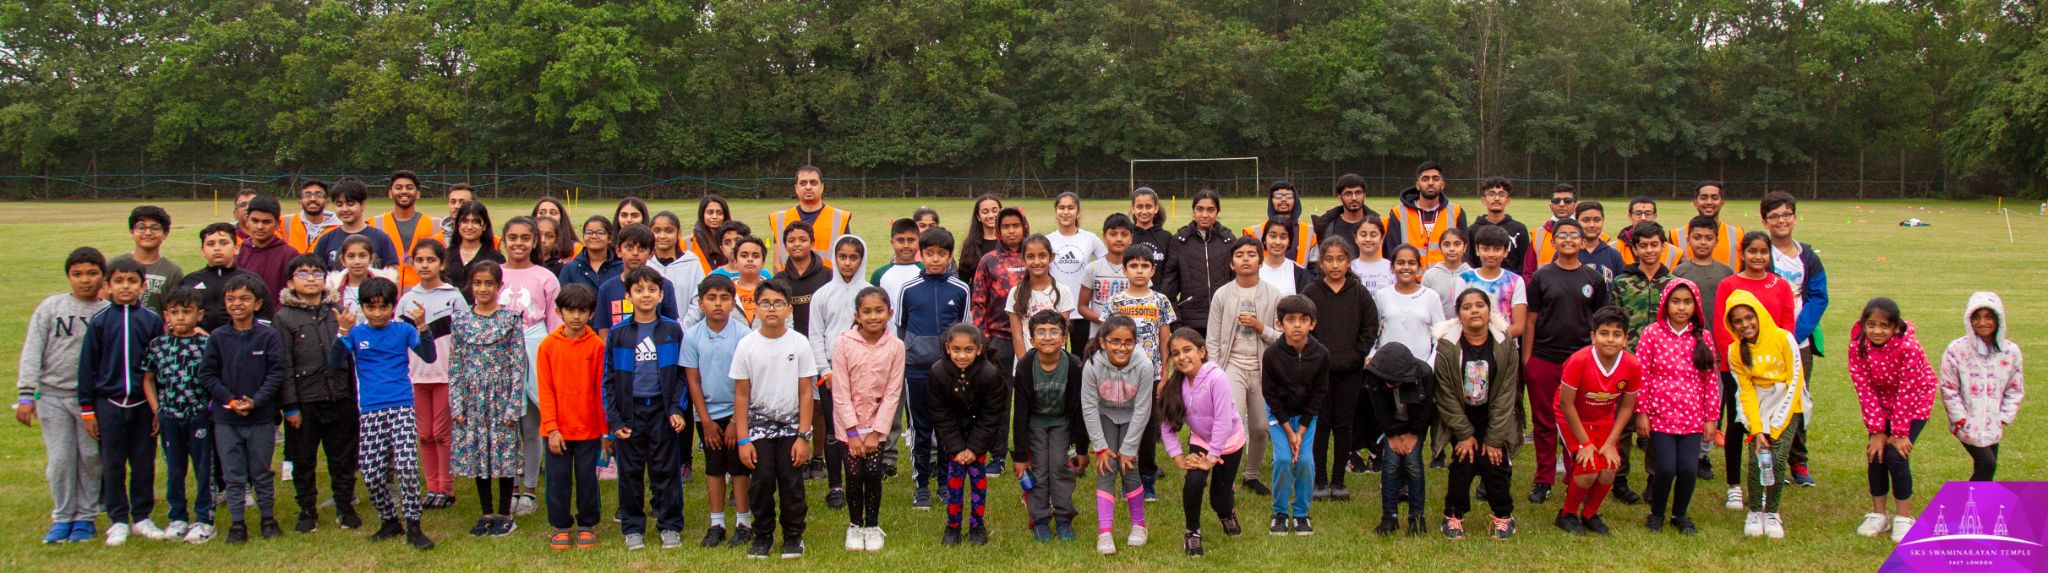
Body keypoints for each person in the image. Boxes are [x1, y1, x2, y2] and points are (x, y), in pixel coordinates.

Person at [328, 277, 438, 549]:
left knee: (406, 467)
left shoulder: (403, 330)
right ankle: (389, 520)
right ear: (362, 307)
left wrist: (423, 326)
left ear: (392, 307)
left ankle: (414, 525)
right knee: (371, 472)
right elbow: (334, 363)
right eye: (371, 307)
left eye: (383, 307)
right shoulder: (355, 333)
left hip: (401, 407)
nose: (377, 314)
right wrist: (342, 333)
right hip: (370, 411)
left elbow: (429, 356)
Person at [18, 247, 110, 545]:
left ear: (103, 276)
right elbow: (33, 350)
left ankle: (85, 517)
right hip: (53, 397)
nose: (85, 280)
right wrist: (26, 394)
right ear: (68, 276)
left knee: (90, 458)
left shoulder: (107, 313)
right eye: (77, 274)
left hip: (90, 401)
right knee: (60, 459)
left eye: (92, 274)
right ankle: (62, 517)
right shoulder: (51, 307)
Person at [1522, 218, 1612, 504]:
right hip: (1544, 359)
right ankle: (1543, 478)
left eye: (1575, 235)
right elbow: (1531, 320)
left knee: (1576, 422)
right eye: (1563, 235)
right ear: (1554, 242)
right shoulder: (1541, 276)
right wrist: (1528, 359)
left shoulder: (1593, 279)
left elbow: (1599, 323)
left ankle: (1575, 472)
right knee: (1544, 422)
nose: (1569, 240)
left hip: (1580, 362)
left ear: (1583, 243)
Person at [79, 258, 166, 545]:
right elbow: (88, 367)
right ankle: (118, 519)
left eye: (131, 281)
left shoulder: (152, 321)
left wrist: (158, 407)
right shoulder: (101, 321)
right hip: (110, 403)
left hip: (143, 405)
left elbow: (160, 368)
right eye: (118, 281)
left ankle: (142, 516)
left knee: (144, 461)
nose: (125, 286)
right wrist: (88, 409)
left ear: (142, 286)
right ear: (108, 286)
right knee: (112, 462)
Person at [273, 254, 362, 534]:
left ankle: (345, 505)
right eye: (303, 274)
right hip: (305, 400)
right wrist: (290, 405)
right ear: (290, 282)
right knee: (303, 458)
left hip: (339, 397)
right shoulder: (284, 317)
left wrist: (352, 396)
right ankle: (307, 510)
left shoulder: (336, 311)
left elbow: (349, 357)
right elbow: (283, 365)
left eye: (316, 273)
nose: (310, 278)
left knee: (343, 457)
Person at [730, 280, 819, 559]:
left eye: (778, 303)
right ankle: (763, 535)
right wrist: (743, 439)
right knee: (762, 481)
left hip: (792, 427)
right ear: (755, 308)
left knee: (792, 482)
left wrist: (804, 436)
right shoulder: (747, 345)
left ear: (789, 309)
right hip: (758, 428)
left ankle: (794, 536)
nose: (772, 309)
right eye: (765, 303)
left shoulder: (799, 343)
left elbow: (806, 392)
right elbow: (742, 395)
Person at [600, 267, 687, 550]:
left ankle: (670, 524)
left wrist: (675, 408)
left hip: (662, 411)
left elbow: (681, 376)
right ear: (629, 296)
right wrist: (614, 420)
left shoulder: (672, 331)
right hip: (630, 412)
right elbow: (609, 379)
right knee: (630, 472)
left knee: (665, 470)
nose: (646, 295)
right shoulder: (619, 333)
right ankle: (633, 526)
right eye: (639, 290)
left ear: (661, 294)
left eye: (652, 290)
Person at [198, 274, 287, 544]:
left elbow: (276, 372)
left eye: (245, 299)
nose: (237, 304)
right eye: (231, 299)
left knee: (261, 471)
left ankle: (268, 518)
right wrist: (231, 401)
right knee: (233, 474)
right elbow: (207, 375)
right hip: (227, 419)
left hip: (260, 418)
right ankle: (237, 523)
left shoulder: (268, 335)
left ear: (257, 303)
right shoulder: (217, 337)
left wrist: (256, 401)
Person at [1714, 232, 1795, 509]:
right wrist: (1744, 359)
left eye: (1763, 251)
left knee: (1771, 425)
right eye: (1752, 251)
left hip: (1773, 374)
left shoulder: (1780, 285)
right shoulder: (1729, 284)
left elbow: (1786, 328)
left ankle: (1765, 478)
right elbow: (1722, 327)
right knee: (1738, 422)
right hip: (1738, 367)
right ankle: (1734, 485)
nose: (1757, 257)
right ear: (1743, 254)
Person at [449, 262, 530, 539]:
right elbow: (456, 363)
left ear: (499, 287)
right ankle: (486, 512)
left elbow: (519, 364)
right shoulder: (461, 320)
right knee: (479, 454)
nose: (483, 289)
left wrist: (513, 404)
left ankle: (505, 513)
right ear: (471, 286)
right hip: (472, 396)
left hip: (501, 394)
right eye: (478, 283)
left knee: (504, 453)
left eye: (489, 284)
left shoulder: (509, 320)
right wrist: (457, 403)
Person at [1634, 279, 1719, 536]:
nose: (1681, 308)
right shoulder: (1652, 333)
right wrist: (1642, 412)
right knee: (1667, 468)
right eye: (1675, 301)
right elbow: (1642, 375)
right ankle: (1657, 513)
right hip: (1660, 415)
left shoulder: (1703, 337)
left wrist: (1711, 418)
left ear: (1695, 305)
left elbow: (1710, 379)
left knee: (1688, 469)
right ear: (1666, 304)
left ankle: (1679, 514)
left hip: (1692, 416)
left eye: (1687, 302)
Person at [1434, 289, 1521, 541]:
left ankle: (1504, 515)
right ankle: (1453, 515)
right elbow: (1445, 393)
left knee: (1494, 463)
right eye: (1467, 307)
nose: (1474, 310)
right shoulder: (1447, 346)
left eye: (1480, 305)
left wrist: (1494, 438)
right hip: (1461, 415)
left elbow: (1507, 392)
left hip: (1495, 415)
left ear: (1489, 310)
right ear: (1459, 314)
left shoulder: (1504, 343)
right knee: (1463, 462)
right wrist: (1463, 433)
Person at [1847, 298, 1934, 543]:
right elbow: (1864, 388)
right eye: (1871, 325)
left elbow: (1909, 390)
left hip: (1914, 401)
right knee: (1876, 454)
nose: (1877, 331)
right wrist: (1876, 431)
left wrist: (1899, 433)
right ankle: (1879, 515)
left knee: (1896, 455)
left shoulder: (1909, 347)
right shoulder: (1857, 347)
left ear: (1896, 327)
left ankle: (1904, 517)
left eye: (1884, 326)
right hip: (1881, 403)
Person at [899, 228, 973, 510]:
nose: (935, 259)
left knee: (947, 427)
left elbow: (966, 331)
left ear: (949, 256)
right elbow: (901, 329)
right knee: (920, 427)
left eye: (941, 254)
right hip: (916, 370)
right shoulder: (908, 289)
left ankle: (944, 482)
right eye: (929, 253)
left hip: (949, 372)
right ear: (922, 254)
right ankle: (921, 486)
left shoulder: (960, 289)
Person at [1724, 290, 1807, 539]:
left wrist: (1777, 425)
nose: (1745, 324)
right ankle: (1755, 512)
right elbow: (1746, 392)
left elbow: (1795, 381)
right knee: (1757, 458)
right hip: (1758, 406)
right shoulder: (1735, 351)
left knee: (1778, 457)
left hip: (1787, 402)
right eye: (1737, 321)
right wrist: (1758, 430)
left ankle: (1772, 512)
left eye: (1749, 317)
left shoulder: (1784, 338)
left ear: (1758, 315)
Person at [1760, 191, 1829, 486]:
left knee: (1797, 399)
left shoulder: (1807, 256)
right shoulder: (1760, 251)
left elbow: (1819, 297)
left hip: (1798, 341)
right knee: (1766, 399)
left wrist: (1794, 333)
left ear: (1795, 218)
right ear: (1765, 221)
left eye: (1786, 215)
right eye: (1774, 216)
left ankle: (1798, 460)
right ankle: (1768, 459)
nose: (1781, 221)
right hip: (1764, 339)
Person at [1155, 328, 1245, 555]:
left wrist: (1212, 458)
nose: (1182, 357)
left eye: (1188, 350)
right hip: (1202, 440)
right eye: (1176, 353)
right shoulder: (1174, 385)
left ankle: (1227, 513)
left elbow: (1224, 421)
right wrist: (1177, 457)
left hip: (1229, 443)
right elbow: (1166, 425)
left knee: (1219, 499)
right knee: (1193, 483)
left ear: (1202, 351)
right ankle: (1192, 532)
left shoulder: (1217, 378)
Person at [1553, 308, 1641, 537]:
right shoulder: (1578, 361)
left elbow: (1626, 407)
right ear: (1593, 336)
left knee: (1610, 468)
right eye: (1604, 333)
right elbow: (1566, 404)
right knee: (1589, 468)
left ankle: (1590, 514)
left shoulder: (1632, 365)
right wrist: (1585, 443)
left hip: (1602, 418)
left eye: (1616, 334)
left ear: (1625, 339)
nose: (1610, 339)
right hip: (1571, 416)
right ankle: (1567, 514)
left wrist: (1611, 442)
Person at [829, 286, 904, 552]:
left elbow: (893, 393)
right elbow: (840, 390)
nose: (874, 316)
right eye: (867, 311)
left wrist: (875, 433)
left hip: (876, 426)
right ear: (857, 315)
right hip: (847, 426)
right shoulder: (844, 343)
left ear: (890, 313)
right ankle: (855, 525)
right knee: (853, 474)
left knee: (872, 473)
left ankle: (872, 526)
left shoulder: (896, 347)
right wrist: (852, 431)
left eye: (879, 310)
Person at [682, 275, 755, 548]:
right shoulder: (691, 337)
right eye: (711, 298)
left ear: (733, 302)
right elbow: (693, 380)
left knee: (739, 467)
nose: (718, 304)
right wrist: (705, 420)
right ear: (701, 303)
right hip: (708, 416)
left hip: (738, 413)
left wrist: (737, 420)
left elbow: (747, 382)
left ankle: (743, 522)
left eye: (724, 298)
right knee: (714, 467)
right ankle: (716, 523)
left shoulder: (744, 336)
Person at [1206, 237, 1282, 496]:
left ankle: (1251, 476)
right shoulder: (1223, 294)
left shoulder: (1273, 294)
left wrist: (1261, 327)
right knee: (1231, 423)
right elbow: (1212, 339)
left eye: (1252, 254)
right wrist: (1215, 372)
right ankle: (1224, 478)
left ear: (1261, 260)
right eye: (1240, 255)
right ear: (1231, 262)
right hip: (1232, 366)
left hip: (1263, 367)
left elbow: (1282, 337)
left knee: (1260, 427)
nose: (1246, 259)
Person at [1303, 238, 1377, 501]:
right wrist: (1315, 359)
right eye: (1329, 259)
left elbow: (1370, 328)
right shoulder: (1311, 292)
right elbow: (1303, 328)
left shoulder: (1359, 293)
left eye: (1341, 259)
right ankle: (1320, 479)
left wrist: (1357, 355)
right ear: (1321, 262)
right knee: (1321, 425)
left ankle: (1338, 480)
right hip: (1319, 373)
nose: (1335, 265)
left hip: (1350, 371)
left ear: (1349, 261)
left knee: (1344, 426)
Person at [1608, 220, 1676, 503]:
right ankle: (1619, 479)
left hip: (1663, 366)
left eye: (1654, 245)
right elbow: (1612, 320)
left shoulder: (1673, 283)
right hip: (1627, 362)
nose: (1649, 250)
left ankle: (1653, 478)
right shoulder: (1623, 282)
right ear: (1633, 248)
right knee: (1622, 423)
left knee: (1657, 425)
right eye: (1642, 245)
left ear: (1663, 246)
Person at [500, 216, 563, 516]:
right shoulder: (494, 274)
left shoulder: (545, 277)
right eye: (513, 237)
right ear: (503, 240)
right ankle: (509, 486)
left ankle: (529, 489)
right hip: (500, 352)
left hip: (535, 345)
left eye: (526, 238)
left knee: (532, 423)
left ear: (535, 242)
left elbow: (555, 320)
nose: (519, 243)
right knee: (508, 423)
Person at [537, 283, 607, 550]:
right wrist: (552, 429)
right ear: (558, 311)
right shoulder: (548, 346)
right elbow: (545, 390)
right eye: (570, 310)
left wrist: (604, 432)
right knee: (558, 480)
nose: (576, 316)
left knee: (588, 479)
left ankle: (587, 524)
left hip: (589, 430)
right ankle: (561, 525)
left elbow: (601, 390)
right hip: (558, 432)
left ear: (591, 314)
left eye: (583, 311)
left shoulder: (597, 346)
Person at [397, 240, 467, 509]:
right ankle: (432, 487)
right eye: (419, 260)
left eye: (430, 260)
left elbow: (462, 336)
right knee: (424, 434)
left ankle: (447, 489)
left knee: (441, 433)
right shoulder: (406, 299)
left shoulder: (453, 296)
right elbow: (400, 339)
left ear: (441, 263)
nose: (424, 265)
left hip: (445, 375)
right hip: (417, 376)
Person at [143, 287, 215, 543]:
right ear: (166, 315)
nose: (181, 317)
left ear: (199, 314)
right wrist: (157, 409)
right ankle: (177, 516)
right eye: (175, 312)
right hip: (169, 415)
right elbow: (149, 378)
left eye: (187, 312)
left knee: (203, 467)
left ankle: (205, 518)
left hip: (199, 414)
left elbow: (214, 378)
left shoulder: (207, 344)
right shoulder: (158, 345)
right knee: (175, 467)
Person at [1081, 316, 1157, 555]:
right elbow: (1089, 406)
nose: (1121, 348)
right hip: (1105, 415)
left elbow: (1144, 408)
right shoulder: (1093, 365)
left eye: (1127, 342)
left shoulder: (1144, 366)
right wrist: (1101, 447)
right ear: (1103, 342)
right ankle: (1105, 532)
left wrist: (1130, 448)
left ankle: (1139, 525)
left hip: (1132, 418)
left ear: (1135, 343)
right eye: (1115, 342)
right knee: (1106, 467)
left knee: (1129, 468)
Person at [1107, 243, 1177, 499]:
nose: (1139, 271)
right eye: (1134, 266)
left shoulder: (1160, 301)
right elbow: (1109, 340)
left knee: (1147, 429)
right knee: (1126, 427)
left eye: (1144, 266)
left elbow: (1165, 340)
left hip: (1152, 375)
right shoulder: (1116, 302)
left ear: (1153, 270)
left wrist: (1165, 374)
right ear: (1124, 270)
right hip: (1122, 375)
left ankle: (1147, 481)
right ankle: (1128, 479)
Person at [928, 324, 1007, 547]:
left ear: (979, 350)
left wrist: (973, 448)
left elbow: (992, 415)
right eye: (956, 349)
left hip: (978, 438)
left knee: (978, 481)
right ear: (947, 348)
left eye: (968, 350)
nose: (962, 355)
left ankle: (976, 525)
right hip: (953, 436)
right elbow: (940, 413)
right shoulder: (938, 372)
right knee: (954, 482)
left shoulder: (990, 374)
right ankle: (953, 526)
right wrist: (956, 447)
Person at [1012, 311, 1088, 544]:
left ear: (1064, 337)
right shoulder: (1025, 366)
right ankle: (1040, 520)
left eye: (1054, 332)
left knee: (1060, 469)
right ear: (1032, 339)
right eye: (1041, 332)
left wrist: (1082, 449)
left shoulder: (1074, 366)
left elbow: (1078, 409)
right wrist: (1020, 455)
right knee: (1039, 472)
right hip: (1035, 424)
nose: (1047, 337)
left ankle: (1064, 519)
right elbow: (1021, 413)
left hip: (1061, 424)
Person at [809, 236, 872, 511]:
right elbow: (815, 335)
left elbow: (882, 332)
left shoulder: (870, 292)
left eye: (853, 257)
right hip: (831, 376)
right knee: (835, 432)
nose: (848, 262)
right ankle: (835, 485)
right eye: (842, 257)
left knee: (862, 428)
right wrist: (825, 370)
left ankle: (860, 480)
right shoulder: (822, 294)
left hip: (864, 374)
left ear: (862, 259)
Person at [1670, 215, 1735, 480]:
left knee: (1712, 401)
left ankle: (1702, 454)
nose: (1703, 242)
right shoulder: (1680, 273)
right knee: (1687, 399)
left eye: (1709, 238)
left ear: (1717, 241)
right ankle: (1681, 449)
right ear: (1688, 240)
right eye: (1697, 237)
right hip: (1685, 348)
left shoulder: (1725, 273)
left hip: (1717, 350)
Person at [1263, 295, 1329, 536]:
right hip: (1279, 417)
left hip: (1305, 417)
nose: (1297, 325)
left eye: (1304, 320)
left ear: (1312, 324)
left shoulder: (1321, 354)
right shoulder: (1271, 354)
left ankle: (1301, 513)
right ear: (1280, 324)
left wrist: (1301, 430)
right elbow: (1269, 394)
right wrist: (1289, 432)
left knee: (1304, 462)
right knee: (1282, 460)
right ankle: (1279, 512)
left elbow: (1319, 394)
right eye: (1291, 320)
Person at [1939, 292, 2022, 483]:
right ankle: (1965, 505)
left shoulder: (2010, 352)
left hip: (1993, 421)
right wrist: (1959, 417)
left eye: (1989, 317)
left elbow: (2015, 387)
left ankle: (1981, 508)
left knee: (1987, 468)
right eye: (1976, 317)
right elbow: (1948, 387)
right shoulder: (1957, 350)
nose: (1982, 322)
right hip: (1966, 422)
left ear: (1998, 319)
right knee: (1987, 464)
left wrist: (2003, 416)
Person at [1365, 338, 1436, 537]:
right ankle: (1389, 517)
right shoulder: (1374, 378)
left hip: (1415, 426)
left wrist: (1414, 434)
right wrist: (1392, 435)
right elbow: (1379, 410)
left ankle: (1417, 517)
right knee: (1390, 464)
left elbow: (1427, 409)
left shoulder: (1425, 374)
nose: (1392, 385)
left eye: (1396, 381)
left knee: (1413, 464)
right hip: (1391, 426)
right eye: (1388, 381)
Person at [1163, 190, 1234, 338]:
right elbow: (1168, 289)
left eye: (1211, 210)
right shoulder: (1179, 241)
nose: (1205, 215)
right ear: (1193, 211)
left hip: (1224, 320)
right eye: (1200, 209)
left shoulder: (1228, 240)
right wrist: (1176, 323)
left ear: (1217, 212)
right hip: (1190, 322)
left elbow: (1238, 283)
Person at [594, 225, 681, 336]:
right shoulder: (606, 288)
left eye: (641, 249)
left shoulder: (664, 285)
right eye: (629, 248)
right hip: (621, 350)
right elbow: (604, 330)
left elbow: (671, 326)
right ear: (618, 251)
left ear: (651, 253)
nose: (635, 253)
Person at [1047, 193, 1109, 349]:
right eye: (1061, 208)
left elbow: (1107, 262)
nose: (1066, 212)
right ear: (1056, 212)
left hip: (1082, 311)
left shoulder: (1090, 238)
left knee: (1081, 360)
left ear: (1078, 211)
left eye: (1070, 208)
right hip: (1055, 310)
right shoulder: (1047, 240)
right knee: (1055, 356)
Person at [1006, 235, 1078, 365]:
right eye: (1031, 257)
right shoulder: (1015, 293)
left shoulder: (1063, 291)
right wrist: (1025, 365)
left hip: (1055, 364)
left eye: (1042, 255)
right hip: (1026, 363)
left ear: (1051, 257)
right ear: (1023, 259)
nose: (1037, 262)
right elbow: (1017, 336)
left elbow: (1062, 335)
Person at [972, 208, 1029, 371]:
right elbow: (978, 302)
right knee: (1000, 391)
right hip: (999, 338)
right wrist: (982, 337)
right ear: (998, 230)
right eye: (1006, 226)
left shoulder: (1034, 255)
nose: (1011, 231)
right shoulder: (988, 260)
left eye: (1016, 225)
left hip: (1031, 336)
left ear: (1024, 226)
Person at [768, 165, 854, 272]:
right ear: (796, 188)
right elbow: (777, 264)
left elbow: (847, 258)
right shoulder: (780, 219)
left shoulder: (840, 218)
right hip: (790, 284)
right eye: (803, 183)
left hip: (827, 284)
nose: (808, 187)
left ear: (822, 187)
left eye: (813, 183)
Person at [311, 178, 401, 275]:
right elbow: (316, 274)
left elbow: (393, 277)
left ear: (362, 204)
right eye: (339, 204)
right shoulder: (326, 240)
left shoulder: (381, 238)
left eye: (350, 204)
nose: (344, 209)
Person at [1385, 162, 1467, 267]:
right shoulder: (1399, 213)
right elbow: (1392, 252)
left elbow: (1465, 251)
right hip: (1410, 280)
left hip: (1445, 279)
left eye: (1436, 179)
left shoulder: (1456, 212)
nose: (1431, 183)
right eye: (1425, 179)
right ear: (1417, 185)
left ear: (1443, 184)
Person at [372, 170, 445, 288]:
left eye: (409, 187)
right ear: (390, 193)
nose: (404, 191)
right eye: (399, 187)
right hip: (386, 297)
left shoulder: (436, 225)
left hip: (425, 294)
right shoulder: (374, 223)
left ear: (418, 194)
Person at [1373, 245, 1446, 365]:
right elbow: (1373, 333)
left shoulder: (1431, 297)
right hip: (1387, 368)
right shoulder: (1382, 296)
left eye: (1411, 263)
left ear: (1418, 267)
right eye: (1400, 263)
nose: (1406, 267)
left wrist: (1429, 366)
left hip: (1420, 369)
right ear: (1392, 267)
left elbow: (1440, 337)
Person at [1460, 225, 1528, 339]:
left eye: (1497, 249)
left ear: (1505, 251)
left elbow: (1519, 326)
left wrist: (1490, 341)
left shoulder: (1515, 281)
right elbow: (1460, 318)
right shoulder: (1465, 279)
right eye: (1486, 249)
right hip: (1471, 345)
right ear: (1477, 250)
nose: (1491, 254)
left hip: (1505, 346)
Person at [113, 205, 185, 312]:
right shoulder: (115, 265)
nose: (148, 233)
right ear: (131, 232)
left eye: (155, 228)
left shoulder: (173, 272)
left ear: (165, 233)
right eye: (141, 227)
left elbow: (174, 312)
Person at [238, 195, 296, 312]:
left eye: (266, 222)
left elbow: (292, 294)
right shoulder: (239, 252)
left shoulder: (289, 254)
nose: (260, 227)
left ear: (277, 223)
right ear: (247, 220)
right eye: (255, 220)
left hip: (276, 321)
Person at [1078, 214, 1134, 332]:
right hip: (1099, 336)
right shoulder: (1093, 268)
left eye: (1124, 234)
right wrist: (1104, 319)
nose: (1118, 239)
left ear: (1131, 238)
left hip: (1129, 336)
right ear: (1104, 237)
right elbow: (1082, 307)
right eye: (1113, 234)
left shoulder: (1137, 268)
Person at [1240, 180, 1317, 266]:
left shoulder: (1310, 232)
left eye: (1289, 196)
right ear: (1271, 200)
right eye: (1278, 196)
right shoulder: (1254, 232)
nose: (1283, 200)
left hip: (1300, 278)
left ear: (1295, 200)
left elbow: (1315, 268)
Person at [327, 236, 400, 325]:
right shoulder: (332, 289)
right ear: (342, 260)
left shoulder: (387, 286)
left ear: (371, 258)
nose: (357, 261)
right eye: (351, 256)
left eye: (362, 256)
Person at [775, 223, 831, 339]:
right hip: (790, 343)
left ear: (812, 244)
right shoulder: (779, 280)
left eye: (802, 240)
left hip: (821, 342)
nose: (797, 244)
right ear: (785, 247)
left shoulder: (828, 275)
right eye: (791, 240)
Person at [650, 212, 706, 328]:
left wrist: (683, 328)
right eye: (657, 231)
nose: (662, 236)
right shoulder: (646, 263)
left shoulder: (691, 263)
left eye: (669, 231)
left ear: (678, 233)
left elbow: (698, 298)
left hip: (685, 330)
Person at [1464, 176, 1529, 273]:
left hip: (1510, 284)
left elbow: (1524, 262)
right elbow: (1469, 261)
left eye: (1502, 195)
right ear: (1483, 200)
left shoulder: (1519, 229)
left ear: (1508, 201)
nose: (1497, 198)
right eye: (1491, 194)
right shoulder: (1472, 230)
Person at [872, 219, 924, 327]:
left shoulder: (926, 272)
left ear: (919, 241)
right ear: (892, 242)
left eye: (911, 240)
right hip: (888, 337)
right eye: (900, 240)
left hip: (917, 335)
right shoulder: (880, 274)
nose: (906, 245)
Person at [443, 202, 504, 295]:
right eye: (465, 221)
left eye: (475, 222)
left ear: (484, 226)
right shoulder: (445, 255)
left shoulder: (495, 258)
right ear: (458, 224)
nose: (469, 227)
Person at [1313, 174, 1380, 257]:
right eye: (1348, 194)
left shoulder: (1377, 224)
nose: (1354, 198)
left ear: (1364, 196)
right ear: (1340, 198)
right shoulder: (1326, 226)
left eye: (1358, 193)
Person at [713, 231, 772, 324]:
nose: (750, 259)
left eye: (755, 256)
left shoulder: (773, 290)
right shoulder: (725, 290)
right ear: (735, 262)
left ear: (763, 263)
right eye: (744, 255)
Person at [1612, 197, 1682, 268]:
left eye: (1648, 214)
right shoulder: (1614, 249)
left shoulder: (1675, 253)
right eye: (1638, 213)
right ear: (1630, 216)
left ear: (1655, 216)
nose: (1643, 218)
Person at [1689, 181, 1746, 267]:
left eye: (1714, 198)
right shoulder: (1677, 235)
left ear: (1722, 202)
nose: (1709, 202)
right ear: (1695, 202)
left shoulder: (1738, 234)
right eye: (1704, 198)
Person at [557, 216, 621, 293]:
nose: (594, 236)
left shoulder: (620, 267)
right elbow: (561, 299)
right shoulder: (570, 268)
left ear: (610, 238)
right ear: (583, 237)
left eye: (600, 232)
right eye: (589, 232)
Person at [1257, 218, 1316, 295]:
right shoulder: (1253, 270)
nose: (1277, 242)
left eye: (1283, 237)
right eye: (1273, 236)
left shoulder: (1299, 273)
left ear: (1289, 241)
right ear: (1264, 240)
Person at [1420, 228, 1471, 317]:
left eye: (1457, 244)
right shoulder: (1430, 275)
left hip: (1465, 328)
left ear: (1465, 247)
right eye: (1446, 245)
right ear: (1440, 248)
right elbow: (1423, 305)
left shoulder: (1471, 275)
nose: (1452, 249)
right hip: (1438, 327)